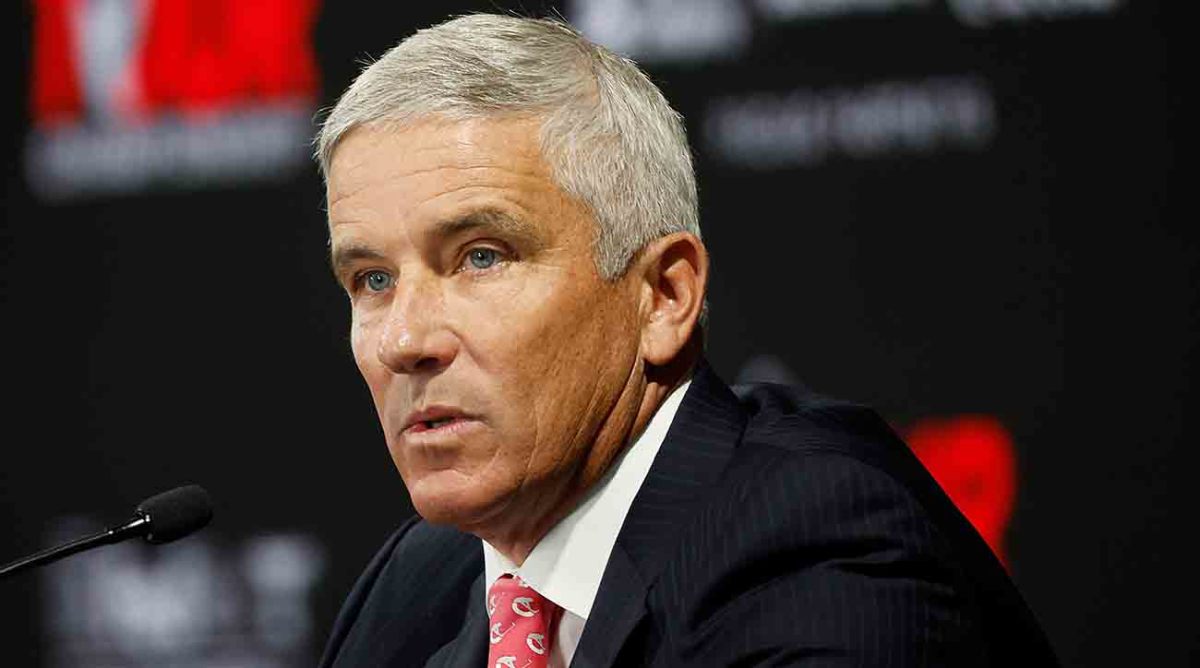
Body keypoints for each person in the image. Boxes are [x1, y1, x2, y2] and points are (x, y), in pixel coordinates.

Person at [314, 13, 1057, 668]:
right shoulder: (420, 583)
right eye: (373, 280)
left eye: (482, 256)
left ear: (664, 296)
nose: (402, 340)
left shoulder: (810, 537)